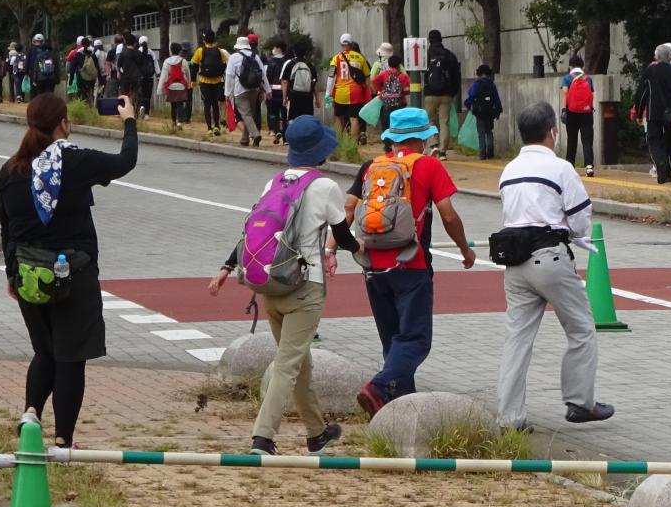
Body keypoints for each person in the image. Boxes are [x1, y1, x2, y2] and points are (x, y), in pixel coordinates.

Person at [207, 115, 360, 455]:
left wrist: (226, 266)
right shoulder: (325, 187)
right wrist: (360, 248)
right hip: (305, 288)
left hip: (270, 286)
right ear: (322, 150)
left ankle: (317, 433)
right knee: (288, 364)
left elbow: (253, 231)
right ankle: (263, 437)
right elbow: (342, 236)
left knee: (297, 360)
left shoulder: (274, 182)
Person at [0, 92, 138, 447]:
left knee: (45, 351)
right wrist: (130, 121)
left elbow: (6, 225)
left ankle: (31, 412)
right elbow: (125, 161)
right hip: (74, 275)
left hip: (29, 275)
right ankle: (63, 441)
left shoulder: (12, 168)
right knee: (71, 358)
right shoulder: (76, 162)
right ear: (62, 123)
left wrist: (12, 273)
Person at [494, 102, 615, 428]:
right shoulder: (561, 168)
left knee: (517, 338)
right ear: (553, 132)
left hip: (514, 262)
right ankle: (580, 403)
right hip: (550, 257)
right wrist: (575, 234)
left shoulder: (508, 170)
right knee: (581, 329)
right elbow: (579, 219)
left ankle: (509, 417)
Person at [347, 105, 475, 413]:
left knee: (393, 341)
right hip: (411, 262)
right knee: (416, 339)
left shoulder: (370, 166)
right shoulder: (429, 166)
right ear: (422, 138)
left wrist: (332, 249)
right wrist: (465, 249)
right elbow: (448, 215)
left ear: (393, 138)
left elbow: (348, 211)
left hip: (372, 265)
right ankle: (378, 388)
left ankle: (399, 405)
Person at [632, 43, 671, 184]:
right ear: (670, 57)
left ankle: (660, 163)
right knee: (670, 142)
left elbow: (642, 94)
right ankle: (668, 174)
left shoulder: (650, 71)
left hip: (653, 114)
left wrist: (639, 114)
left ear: (656, 57)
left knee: (654, 141)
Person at [422, 29, 462, 160]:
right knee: (444, 121)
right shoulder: (449, 55)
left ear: (429, 40)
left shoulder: (426, 54)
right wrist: (452, 92)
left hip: (430, 94)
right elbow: (456, 75)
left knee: (430, 120)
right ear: (441, 39)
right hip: (446, 94)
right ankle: (443, 151)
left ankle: (433, 145)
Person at [226, 33, 271, 147]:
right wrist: (268, 90)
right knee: (250, 114)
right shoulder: (255, 56)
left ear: (237, 46)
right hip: (254, 89)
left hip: (240, 90)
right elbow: (263, 75)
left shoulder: (233, 57)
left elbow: (229, 75)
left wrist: (227, 92)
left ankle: (255, 134)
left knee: (246, 114)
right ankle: (245, 139)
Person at [328, 34, 371, 145]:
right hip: (356, 92)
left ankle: (339, 142)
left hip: (340, 93)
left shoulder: (336, 58)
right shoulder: (360, 58)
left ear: (341, 44)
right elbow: (367, 77)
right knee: (354, 118)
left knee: (338, 117)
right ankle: (352, 144)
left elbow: (331, 77)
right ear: (351, 44)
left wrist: (328, 93)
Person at [559, 53, 596, 177]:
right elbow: (592, 94)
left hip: (572, 112)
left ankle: (570, 166)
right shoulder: (588, 79)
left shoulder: (567, 78)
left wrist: (564, 110)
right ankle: (589, 166)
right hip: (586, 112)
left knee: (572, 139)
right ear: (582, 67)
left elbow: (565, 93)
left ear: (570, 67)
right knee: (587, 139)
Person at [192, 31, 229, 136]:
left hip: (204, 81)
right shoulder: (218, 50)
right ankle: (217, 126)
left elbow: (194, 66)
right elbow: (224, 64)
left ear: (204, 40)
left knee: (207, 105)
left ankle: (209, 128)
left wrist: (193, 81)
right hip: (217, 82)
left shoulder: (200, 51)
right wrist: (219, 74)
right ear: (214, 39)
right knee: (215, 104)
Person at [370, 46, 411, 139]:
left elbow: (374, 80)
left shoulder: (385, 74)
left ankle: (388, 145)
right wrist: (404, 92)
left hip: (386, 103)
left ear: (389, 64)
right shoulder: (403, 76)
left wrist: (381, 89)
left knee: (386, 125)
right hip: (400, 103)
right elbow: (408, 88)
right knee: (399, 124)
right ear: (399, 65)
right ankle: (398, 141)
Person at [465, 65, 503, 160]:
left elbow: (471, 97)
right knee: (489, 132)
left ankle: (482, 153)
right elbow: (496, 99)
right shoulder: (492, 84)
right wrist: (497, 112)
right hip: (490, 113)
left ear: (479, 73)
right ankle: (490, 152)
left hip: (480, 113)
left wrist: (468, 105)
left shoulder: (476, 84)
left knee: (481, 133)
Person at [264, 40, 291, 144]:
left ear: (279, 48)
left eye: (275, 47)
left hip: (272, 91)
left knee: (273, 113)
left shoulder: (270, 62)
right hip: (284, 91)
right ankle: (285, 138)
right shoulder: (287, 62)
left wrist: (266, 91)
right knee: (284, 115)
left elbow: (267, 78)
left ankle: (277, 130)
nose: (273, 49)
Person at [160, 43, 193, 128]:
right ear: (179, 51)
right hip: (181, 85)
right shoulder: (183, 61)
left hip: (171, 85)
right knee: (180, 104)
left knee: (173, 105)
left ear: (171, 50)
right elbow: (187, 73)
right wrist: (189, 84)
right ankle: (180, 122)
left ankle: (174, 121)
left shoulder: (167, 62)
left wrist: (160, 89)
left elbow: (164, 76)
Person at [283, 42, 317, 123]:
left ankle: (293, 134)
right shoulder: (310, 65)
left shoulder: (290, 64)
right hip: (308, 97)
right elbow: (314, 82)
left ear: (294, 51)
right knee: (307, 119)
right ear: (306, 52)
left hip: (294, 95)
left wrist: (285, 97)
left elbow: (285, 82)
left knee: (293, 118)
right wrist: (317, 99)